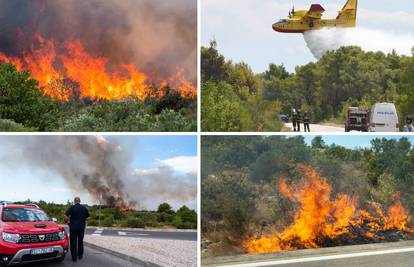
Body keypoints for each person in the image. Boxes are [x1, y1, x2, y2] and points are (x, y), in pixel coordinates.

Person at [65, 197, 90, 262]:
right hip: (81, 227)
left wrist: (67, 222)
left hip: (73, 227)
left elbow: (66, 215)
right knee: (80, 241)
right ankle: (80, 255)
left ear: (74, 201)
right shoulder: (84, 208)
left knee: (73, 242)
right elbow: (88, 217)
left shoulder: (72, 207)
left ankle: (74, 258)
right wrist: (84, 221)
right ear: (80, 201)